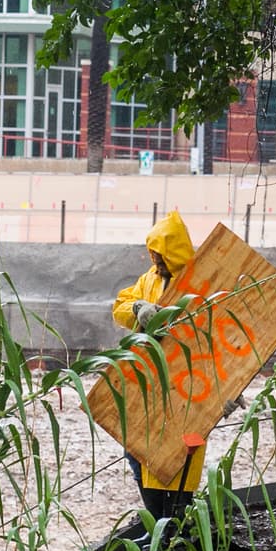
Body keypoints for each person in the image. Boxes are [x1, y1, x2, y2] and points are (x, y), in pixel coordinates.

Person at [112, 211, 206, 521]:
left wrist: (228, 392)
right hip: (149, 383)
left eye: (159, 252)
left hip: (188, 389)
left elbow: (221, 340)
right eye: (152, 251)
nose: (154, 258)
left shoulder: (199, 284)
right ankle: (157, 523)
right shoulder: (148, 280)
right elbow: (120, 306)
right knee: (137, 450)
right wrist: (138, 308)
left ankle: (176, 528)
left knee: (182, 457)